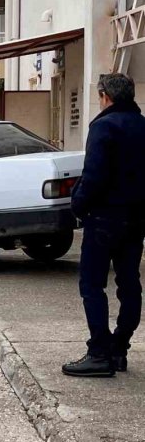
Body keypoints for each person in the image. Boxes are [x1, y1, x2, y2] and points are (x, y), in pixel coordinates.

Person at [63, 73, 145, 377]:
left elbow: (93, 176)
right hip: (135, 219)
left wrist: (78, 204)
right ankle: (119, 348)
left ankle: (99, 352)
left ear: (105, 96)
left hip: (103, 219)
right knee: (129, 283)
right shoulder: (142, 125)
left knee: (92, 285)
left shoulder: (103, 127)